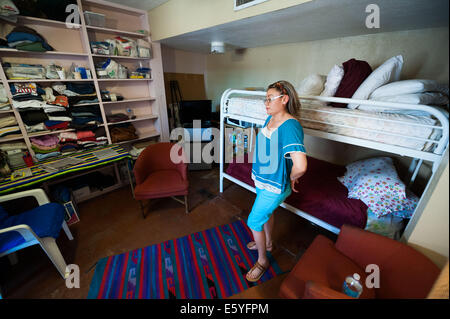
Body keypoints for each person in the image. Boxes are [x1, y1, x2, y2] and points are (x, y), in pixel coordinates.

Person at [246, 80, 307, 282]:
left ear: (284, 99)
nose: (266, 103)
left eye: (270, 99)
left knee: (254, 221)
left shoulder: (291, 126)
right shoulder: (270, 118)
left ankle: (262, 260)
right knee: (266, 214)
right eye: (266, 99)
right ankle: (269, 242)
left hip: (275, 185)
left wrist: (292, 177)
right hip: (263, 178)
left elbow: (301, 165)